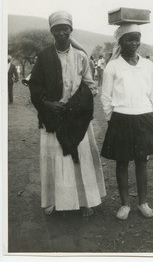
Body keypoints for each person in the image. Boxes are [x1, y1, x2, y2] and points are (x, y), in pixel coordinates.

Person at [29, 11, 106, 216]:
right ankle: (55, 201)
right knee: (55, 158)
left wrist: (77, 104)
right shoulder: (44, 56)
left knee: (80, 158)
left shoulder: (80, 57)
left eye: (65, 28)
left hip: (76, 118)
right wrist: (48, 104)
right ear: (51, 32)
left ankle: (85, 201)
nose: (61, 33)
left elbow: (91, 86)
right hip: (52, 116)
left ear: (71, 30)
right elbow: (35, 86)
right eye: (57, 29)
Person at [101, 23, 153, 220]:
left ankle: (143, 203)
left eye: (137, 38)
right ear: (121, 41)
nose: (134, 42)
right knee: (122, 162)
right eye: (129, 39)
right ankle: (125, 204)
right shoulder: (112, 66)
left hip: (145, 118)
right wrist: (112, 119)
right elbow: (105, 97)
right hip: (121, 119)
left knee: (142, 161)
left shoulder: (148, 65)